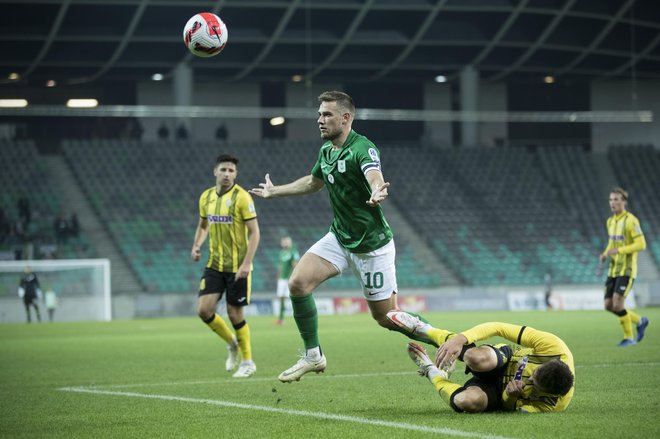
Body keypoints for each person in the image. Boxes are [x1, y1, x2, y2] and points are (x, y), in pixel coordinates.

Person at [250, 91, 440, 383]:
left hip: (371, 245)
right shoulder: (326, 151)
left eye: (327, 115)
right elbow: (314, 182)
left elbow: (373, 173)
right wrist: (275, 191)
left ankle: (447, 343)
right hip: (339, 236)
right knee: (298, 283)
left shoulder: (362, 148)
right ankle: (313, 356)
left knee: (387, 317)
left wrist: (377, 189)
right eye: (319, 114)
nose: (320, 120)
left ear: (345, 117)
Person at [387, 311, 575, 414]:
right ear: (546, 363)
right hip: (503, 361)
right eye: (534, 375)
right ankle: (424, 328)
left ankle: (433, 373)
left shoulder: (553, 404)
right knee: (475, 358)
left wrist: (511, 396)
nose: (529, 381)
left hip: (498, 391)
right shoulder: (553, 346)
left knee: (466, 401)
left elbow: (509, 408)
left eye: (534, 385)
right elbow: (498, 327)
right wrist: (461, 338)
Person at [191, 154, 260, 378]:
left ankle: (248, 362)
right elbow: (203, 225)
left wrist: (247, 264)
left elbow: (255, 233)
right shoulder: (206, 197)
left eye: (231, 171)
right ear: (215, 172)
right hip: (215, 264)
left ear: (236, 174)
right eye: (223, 170)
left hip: (238, 266)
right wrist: (197, 245)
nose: (227, 174)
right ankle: (231, 343)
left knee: (235, 313)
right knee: (203, 310)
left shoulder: (242, 198)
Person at [598, 187, 649, 347]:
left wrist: (619, 250)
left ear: (624, 202)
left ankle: (629, 338)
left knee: (618, 304)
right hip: (613, 269)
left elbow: (641, 244)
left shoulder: (631, 221)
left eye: (616, 199)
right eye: (611, 200)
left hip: (626, 270)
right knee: (608, 306)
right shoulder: (610, 221)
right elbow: (612, 244)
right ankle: (640, 321)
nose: (613, 203)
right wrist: (606, 253)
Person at [275, 235, 300, 325]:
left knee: (290, 297)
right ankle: (281, 319)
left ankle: (284, 318)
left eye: (287, 241)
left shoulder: (293, 252)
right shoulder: (281, 253)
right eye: (284, 241)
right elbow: (280, 266)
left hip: (289, 279)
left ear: (290, 242)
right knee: (281, 298)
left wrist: (295, 277)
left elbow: (295, 265)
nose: (285, 243)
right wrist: (278, 277)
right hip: (282, 279)